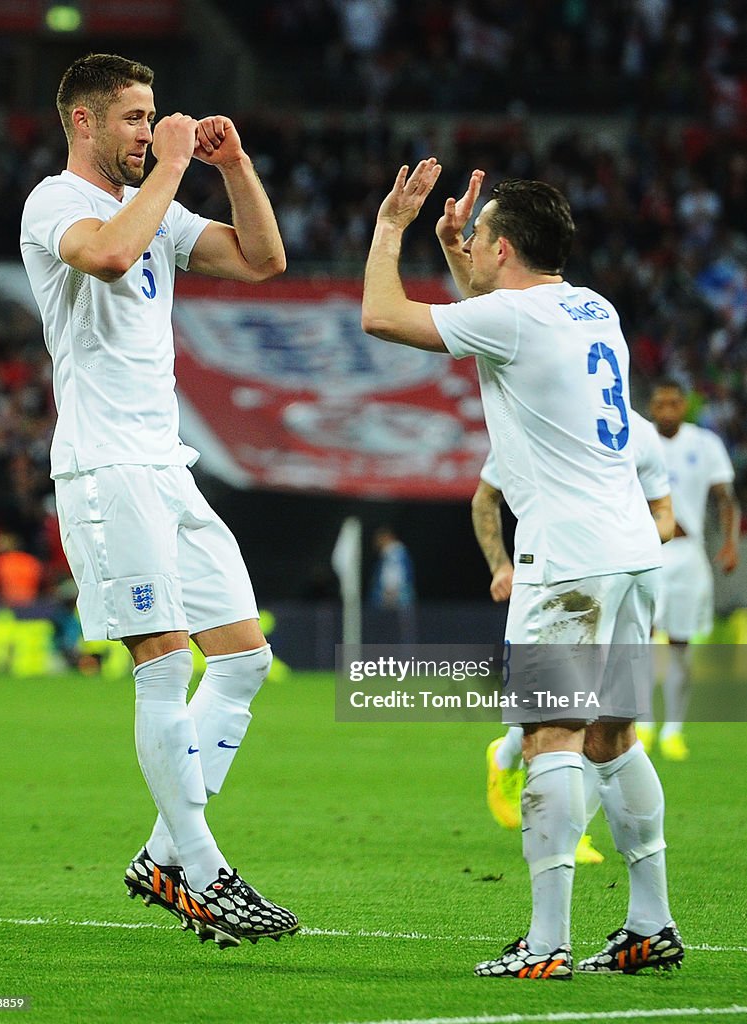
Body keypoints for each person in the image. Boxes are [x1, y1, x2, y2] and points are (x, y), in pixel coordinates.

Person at [362, 161, 683, 978]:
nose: (468, 238)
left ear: (501, 247)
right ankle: (650, 923)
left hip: (567, 556)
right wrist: (452, 251)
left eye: (477, 232)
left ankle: (545, 945)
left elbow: (379, 316)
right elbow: (497, 320)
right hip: (632, 551)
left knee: (550, 736)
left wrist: (394, 225)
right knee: (612, 736)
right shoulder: (590, 306)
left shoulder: (513, 316)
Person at [20, 53, 298, 949]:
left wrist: (234, 168)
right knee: (163, 661)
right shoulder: (56, 204)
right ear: (85, 123)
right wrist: (175, 164)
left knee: (245, 659)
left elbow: (263, 259)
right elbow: (106, 255)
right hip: (105, 469)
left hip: (165, 466)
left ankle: (165, 857)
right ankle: (206, 870)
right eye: (136, 118)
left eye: (154, 117)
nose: (150, 130)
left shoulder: (162, 210)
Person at [475, 411, 675, 867]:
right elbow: (485, 499)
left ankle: (568, 826)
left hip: (623, 575)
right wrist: (500, 565)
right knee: (562, 715)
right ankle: (514, 766)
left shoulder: (638, 434)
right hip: (554, 574)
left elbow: (664, 512)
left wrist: (636, 539)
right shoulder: (535, 418)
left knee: (608, 720)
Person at [638, 379, 741, 761]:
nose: (667, 410)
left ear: (685, 407)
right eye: (660, 403)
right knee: (643, 641)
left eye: (674, 403)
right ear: (652, 407)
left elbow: (725, 497)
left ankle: (673, 730)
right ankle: (643, 725)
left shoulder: (704, 443)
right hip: (647, 550)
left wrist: (730, 542)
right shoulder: (639, 440)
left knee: (681, 647)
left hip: (689, 555)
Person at [369, 525, 416, 609]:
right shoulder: (390, 553)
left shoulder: (395, 552)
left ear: (386, 537)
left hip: (394, 596)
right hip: (394, 596)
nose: (377, 543)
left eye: (379, 539)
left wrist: (390, 592)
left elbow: (395, 573)